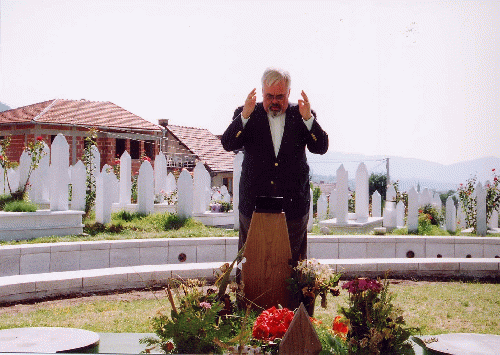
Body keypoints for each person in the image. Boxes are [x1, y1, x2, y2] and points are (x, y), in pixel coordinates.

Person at [221, 67, 329, 265]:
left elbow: (321, 147)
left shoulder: (302, 114)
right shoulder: (246, 113)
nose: (274, 102)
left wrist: (308, 119)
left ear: (289, 93)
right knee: (249, 265)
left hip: (293, 205)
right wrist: (244, 115)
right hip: (253, 205)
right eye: (269, 96)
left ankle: (295, 298)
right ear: (262, 92)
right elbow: (228, 144)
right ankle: (245, 297)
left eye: (280, 96)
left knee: (294, 267)